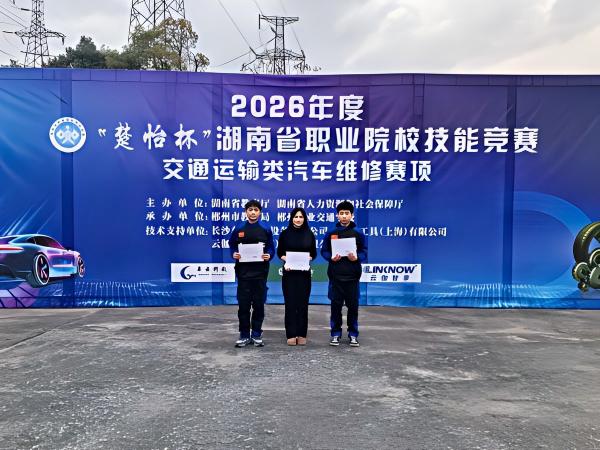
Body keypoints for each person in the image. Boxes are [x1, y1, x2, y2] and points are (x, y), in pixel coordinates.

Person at [228, 199, 275, 348]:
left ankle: (256, 334)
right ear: (246, 212)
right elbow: (232, 244)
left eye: (256, 210)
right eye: (250, 210)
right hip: (243, 274)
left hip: (260, 273)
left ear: (260, 212)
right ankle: (244, 335)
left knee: (259, 306)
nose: (253, 212)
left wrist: (269, 255)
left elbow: (271, 247)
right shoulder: (239, 228)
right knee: (243, 306)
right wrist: (234, 253)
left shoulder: (265, 228)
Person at [320, 200, 367, 347]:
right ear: (337, 215)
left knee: (353, 308)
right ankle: (335, 334)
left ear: (352, 215)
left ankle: (353, 334)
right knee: (335, 308)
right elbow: (324, 251)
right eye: (341, 213)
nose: (344, 216)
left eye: (347, 213)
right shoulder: (331, 233)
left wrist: (356, 257)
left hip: (352, 277)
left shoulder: (358, 233)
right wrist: (331, 257)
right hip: (336, 276)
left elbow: (364, 252)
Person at [277, 208, 317, 346]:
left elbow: (313, 253)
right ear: (291, 218)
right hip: (289, 273)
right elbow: (280, 253)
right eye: (296, 216)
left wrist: (308, 258)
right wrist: (286, 260)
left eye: (301, 217)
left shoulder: (309, 234)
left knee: (303, 304)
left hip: (304, 274)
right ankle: (291, 334)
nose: (298, 219)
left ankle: (301, 333)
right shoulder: (285, 234)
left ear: (304, 219)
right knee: (290, 304)